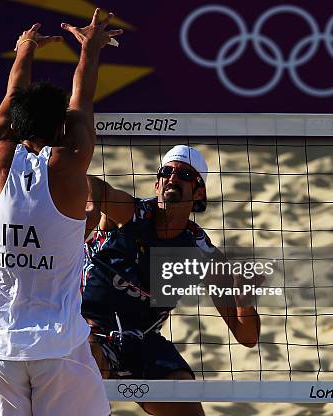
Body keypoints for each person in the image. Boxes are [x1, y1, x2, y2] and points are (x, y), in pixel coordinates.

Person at [0, 10, 123, 416]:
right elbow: (82, 102)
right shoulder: (68, 167)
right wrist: (90, 49)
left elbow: (11, 99)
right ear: (60, 129)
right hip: (58, 347)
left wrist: (23, 48)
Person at [83, 145, 261, 416]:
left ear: (199, 192)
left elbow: (247, 337)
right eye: (167, 171)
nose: (173, 177)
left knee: (187, 404)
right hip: (88, 329)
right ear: (157, 184)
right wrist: (94, 207)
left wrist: (245, 302)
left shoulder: (203, 254)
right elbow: (93, 183)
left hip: (141, 341)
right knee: (87, 362)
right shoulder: (129, 215)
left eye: (186, 175)